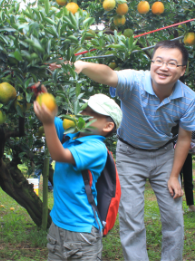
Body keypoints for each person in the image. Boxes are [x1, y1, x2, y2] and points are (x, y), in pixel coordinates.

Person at [56, 40, 195, 261]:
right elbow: (108, 75)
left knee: (174, 218)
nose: (164, 67)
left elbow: (184, 139)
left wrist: (174, 176)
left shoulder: (188, 98)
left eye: (172, 63)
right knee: (131, 217)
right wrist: (81, 65)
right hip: (130, 155)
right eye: (159, 61)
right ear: (151, 63)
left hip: (164, 156)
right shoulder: (134, 81)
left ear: (182, 71)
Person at [33, 85, 122, 261]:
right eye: (83, 110)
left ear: (107, 126)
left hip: (82, 234)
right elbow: (48, 116)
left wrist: (49, 121)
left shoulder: (96, 148)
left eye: (90, 114)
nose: (81, 115)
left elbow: (58, 154)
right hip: (57, 228)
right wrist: (43, 97)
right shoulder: (71, 135)